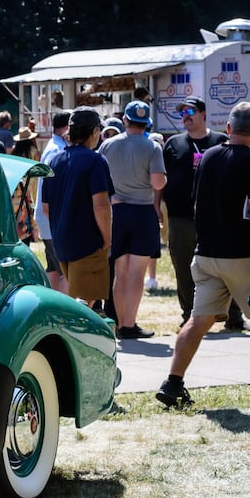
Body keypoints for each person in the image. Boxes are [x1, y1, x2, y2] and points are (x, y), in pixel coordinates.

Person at [156, 102, 250, 408]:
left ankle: (172, 384)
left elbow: (197, 203)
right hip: (242, 256)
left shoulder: (208, 156)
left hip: (206, 253)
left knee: (198, 321)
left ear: (228, 128)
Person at [163, 96, 244, 330]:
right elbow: (163, 178)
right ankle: (189, 313)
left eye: (191, 111)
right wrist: (157, 208)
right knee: (183, 264)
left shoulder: (220, 141)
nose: (186, 116)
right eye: (182, 113)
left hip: (218, 216)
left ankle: (234, 316)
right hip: (181, 217)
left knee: (226, 264)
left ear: (203, 114)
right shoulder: (174, 144)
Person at [99, 100, 166, 339]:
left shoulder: (107, 145)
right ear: (146, 123)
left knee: (120, 270)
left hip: (116, 211)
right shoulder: (152, 147)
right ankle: (130, 323)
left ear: (125, 120)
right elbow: (158, 183)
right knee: (137, 272)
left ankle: (119, 323)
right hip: (143, 211)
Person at [40, 109, 113, 304]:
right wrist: (107, 239)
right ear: (95, 132)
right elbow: (101, 206)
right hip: (88, 242)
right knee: (85, 302)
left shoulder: (54, 161)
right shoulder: (96, 161)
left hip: (61, 243)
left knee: (74, 297)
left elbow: (45, 207)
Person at [33, 110, 73, 291]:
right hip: (53, 218)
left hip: (48, 218)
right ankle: (63, 313)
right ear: (66, 129)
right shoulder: (58, 150)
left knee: (54, 268)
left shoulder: (53, 147)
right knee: (66, 270)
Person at [10, 128, 39, 243]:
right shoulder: (33, 150)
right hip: (31, 182)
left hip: (18, 183)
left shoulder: (14, 151)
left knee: (19, 209)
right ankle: (33, 229)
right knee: (31, 206)